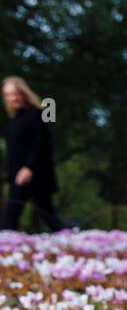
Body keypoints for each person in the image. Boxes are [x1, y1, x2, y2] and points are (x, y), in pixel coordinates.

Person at [2, 76, 64, 231]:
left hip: (36, 174)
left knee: (46, 213)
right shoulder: (13, 120)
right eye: (8, 94)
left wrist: (28, 167)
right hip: (17, 175)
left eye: (15, 93)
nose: (13, 98)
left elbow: (43, 144)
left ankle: (70, 242)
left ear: (23, 93)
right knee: (12, 214)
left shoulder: (37, 115)